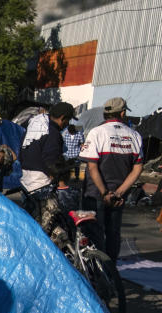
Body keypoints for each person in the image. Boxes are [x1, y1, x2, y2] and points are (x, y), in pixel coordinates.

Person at [78, 97, 144, 261]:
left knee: (93, 232)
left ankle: (97, 270)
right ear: (122, 113)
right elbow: (138, 168)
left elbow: (92, 167)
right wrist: (119, 193)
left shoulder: (97, 132)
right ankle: (111, 270)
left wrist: (104, 193)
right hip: (118, 196)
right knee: (113, 232)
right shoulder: (134, 135)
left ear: (105, 113)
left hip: (94, 193)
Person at [19, 101, 74, 193]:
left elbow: (21, 151)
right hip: (41, 181)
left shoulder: (35, 126)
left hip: (25, 178)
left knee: (29, 207)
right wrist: (61, 182)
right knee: (48, 207)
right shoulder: (52, 133)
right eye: (67, 120)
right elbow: (51, 161)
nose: (67, 124)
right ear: (62, 118)